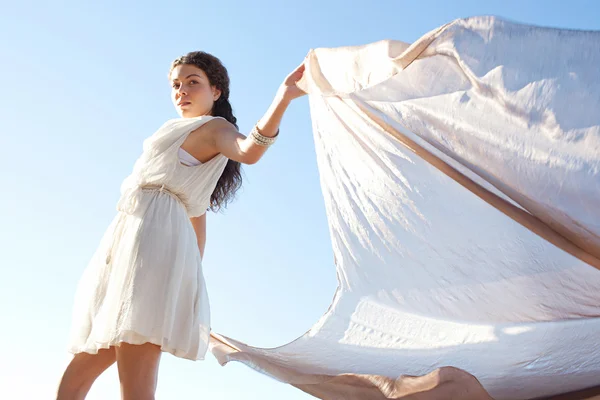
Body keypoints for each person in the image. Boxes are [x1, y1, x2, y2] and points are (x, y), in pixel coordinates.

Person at [56, 51, 306, 400]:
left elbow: (249, 151)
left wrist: (283, 98)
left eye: (193, 83)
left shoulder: (217, 129)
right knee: (95, 350)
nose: (182, 91)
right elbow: (196, 214)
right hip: (131, 240)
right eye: (176, 84)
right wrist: (190, 274)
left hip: (153, 246)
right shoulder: (177, 130)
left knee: (135, 351)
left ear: (216, 91)